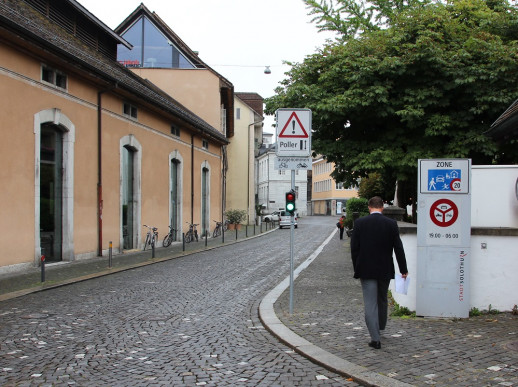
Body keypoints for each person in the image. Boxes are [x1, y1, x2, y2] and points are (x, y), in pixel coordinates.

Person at [350, 196, 408, 349]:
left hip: (366, 269)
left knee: (370, 304)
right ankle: (381, 327)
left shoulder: (360, 223)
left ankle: (375, 338)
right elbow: (398, 248)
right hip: (385, 268)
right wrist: (403, 269)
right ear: (382, 207)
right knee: (382, 299)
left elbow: (354, 248)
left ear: (369, 207)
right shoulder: (391, 224)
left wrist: (357, 267)